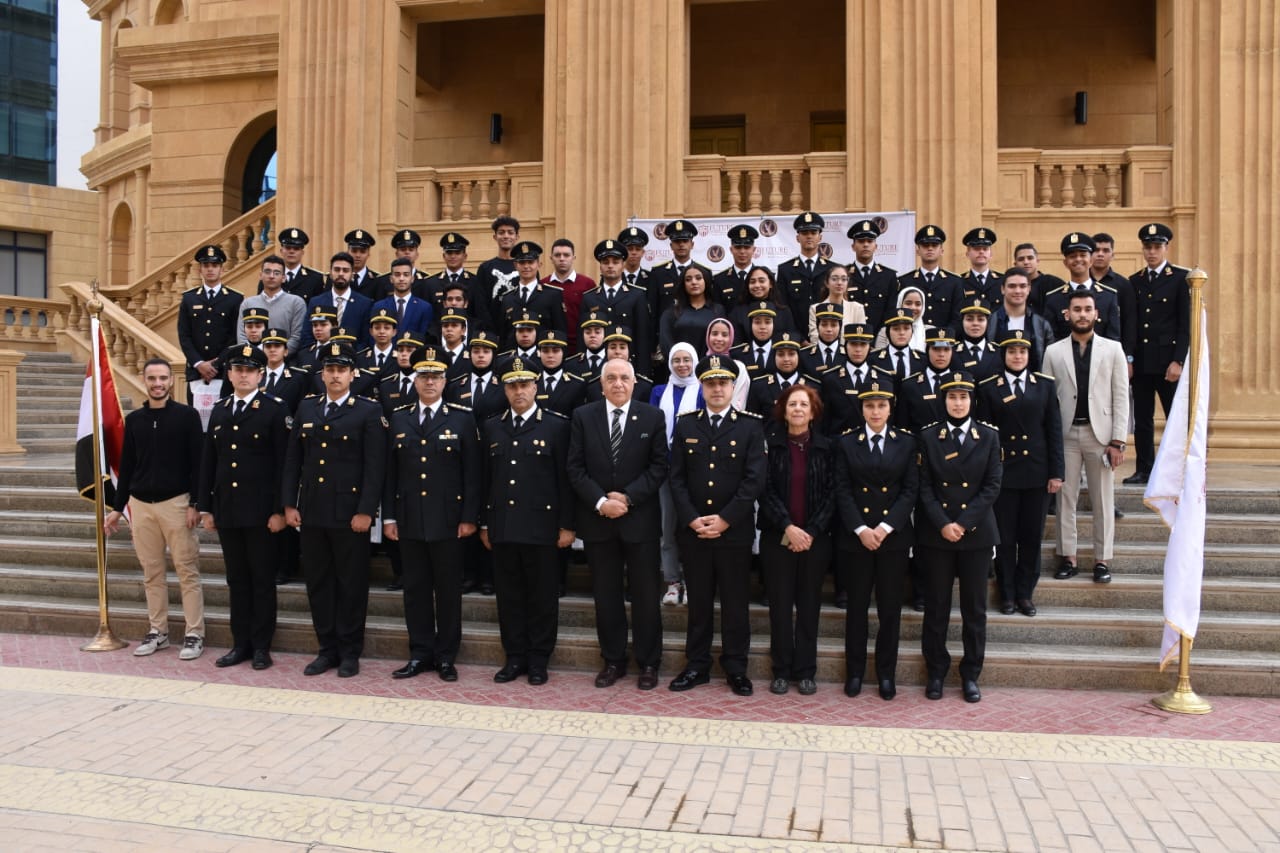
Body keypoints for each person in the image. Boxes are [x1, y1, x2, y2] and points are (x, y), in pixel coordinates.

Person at [282, 341, 388, 678]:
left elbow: (375, 468)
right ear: (322, 373)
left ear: (353, 374)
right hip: (312, 511)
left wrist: (366, 511)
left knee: (351, 584)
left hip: (349, 514)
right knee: (319, 583)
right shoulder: (307, 408)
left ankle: (349, 651)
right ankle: (326, 648)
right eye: (330, 369)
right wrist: (289, 503)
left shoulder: (368, 410)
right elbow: (293, 461)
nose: (335, 375)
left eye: (342, 369)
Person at [567, 359, 670, 690]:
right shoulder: (584, 417)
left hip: (639, 522)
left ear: (634, 382)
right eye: (610, 378)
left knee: (645, 596)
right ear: (601, 385)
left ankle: (649, 662)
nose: (618, 384)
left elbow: (659, 466)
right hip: (599, 522)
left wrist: (626, 498)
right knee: (606, 596)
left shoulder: (653, 416)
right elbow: (575, 468)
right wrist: (601, 503)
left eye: (624, 377)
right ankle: (613, 660)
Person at [668, 356, 767, 696]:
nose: (717, 388)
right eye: (710, 383)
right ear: (703, 387)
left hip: (733, 533)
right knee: (698, 603)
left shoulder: (751, 426)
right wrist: (693, 518)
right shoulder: (685, 424)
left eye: (723, 382)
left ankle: (736, 667)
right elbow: (676, 478)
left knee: (735, 604)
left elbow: (753, 481)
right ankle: (696, 665)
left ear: (732, 386)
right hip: (694, 531)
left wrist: (724, 520)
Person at [383, 347, 482, 681]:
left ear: (445, 381)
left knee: (448, 592)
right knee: (416, 590)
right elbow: (390, 474)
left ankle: (445, 656)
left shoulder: (462, 418)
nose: (429, 382)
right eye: (423, 376)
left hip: (449, 521)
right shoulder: (399, 417)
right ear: (415, 381)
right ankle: (420, 653)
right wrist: (389, 517)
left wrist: (470, 517)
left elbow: (473, 473)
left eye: (435, 377)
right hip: (410, 519)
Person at [102, 358, 206, 660]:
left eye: (162, 378)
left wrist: (196, 504)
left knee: (187, 571)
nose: (158, 383)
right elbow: (129, 467)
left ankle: (194, 633)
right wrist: (117, 508)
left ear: (170, 382)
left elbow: (198, 464)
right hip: (141, 506)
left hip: (177, 504)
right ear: (143, 380)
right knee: (152, 573)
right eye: (152, 378)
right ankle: (158, 631)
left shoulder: (188, 417)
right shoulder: (134, 421)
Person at [480, 357, 575, 685]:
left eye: (524, 384)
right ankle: (515, 657)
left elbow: (565, 480)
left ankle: (538, 659)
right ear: (505, 389)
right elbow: (485, 479)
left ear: (536, 386)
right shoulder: (492, 425)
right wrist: (484, 523)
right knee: (509, 597)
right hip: (504, 526)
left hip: (542, 529)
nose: (518, 391)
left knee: (542, 597)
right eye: (512, 385)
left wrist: (566, 525)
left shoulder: (557, 425)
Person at [198, 344, 291, 670]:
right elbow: (210, 461)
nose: (243, 375)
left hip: (262, 513)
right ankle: (241, 644)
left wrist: (280, 510)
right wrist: (206, 507)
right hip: (229, 510)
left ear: (260, 374)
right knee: (236, 580)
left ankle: (262, 646)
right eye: (238, 369)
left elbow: (284, 465)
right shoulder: (221, 409)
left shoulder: (275, 409)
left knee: (262, 580)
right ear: (230, 373)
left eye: (250, 370)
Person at [915, 370, 1002, 703]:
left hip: (975, 535)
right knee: (936, 608)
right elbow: (923, 486)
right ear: (944, 400)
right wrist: (943, 523)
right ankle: (935, 672)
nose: (957, 402)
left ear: (971, 400)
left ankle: (970, 675)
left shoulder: (989, 437)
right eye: (951, 397)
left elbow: (992, 485)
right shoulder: (928, 436)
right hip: (938, 535)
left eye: (963, 396)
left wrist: (963, 523)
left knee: (974, 610)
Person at [833, 380, 918, 700]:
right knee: (856, 610)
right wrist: (861, 529)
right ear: (862, 409)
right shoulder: (846, 443)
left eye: (881, 405)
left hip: (891, 540)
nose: (876, 411)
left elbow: (910, 490)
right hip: (856, 539)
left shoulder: (906, 443)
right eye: (870, 405)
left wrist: (883, 528)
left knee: (889, 611)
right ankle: (854, 672)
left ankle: (886, 674)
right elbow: (841, 489)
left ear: (890, 408)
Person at [1042, 290, 1130, 584]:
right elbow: (1047, 400)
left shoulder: (1113, 349)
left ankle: (1102, 559)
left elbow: (1121, 396)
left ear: (1097, 314)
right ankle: (1069, 557)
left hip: (1101, 436)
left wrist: (1118, 440)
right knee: (1066, 499)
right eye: (1077, 309)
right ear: (1068, 314)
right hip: (1065, 435)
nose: (1082, 314)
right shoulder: (1053, 352)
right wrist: (1049, 441)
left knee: (1103, 499)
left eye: (1087, 309)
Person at [977, 331, 1064, 616]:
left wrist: (1056, 473)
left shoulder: (1044, 385)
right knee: (1005, 538)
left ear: (1029, 355)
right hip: (1004, 474)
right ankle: (1007, 593)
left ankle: (1026, 593)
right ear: (1003, 355)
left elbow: (1053, 431)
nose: (1017, 356)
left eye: (1022, 351)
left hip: (1037, 473)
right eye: (1012, 351)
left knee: (1031, 537)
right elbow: (987, 436)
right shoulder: (990, 387)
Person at [757, 384, 834, 695]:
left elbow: (832, 494)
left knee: (808, 605)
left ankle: (805, 670)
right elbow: (765, 490)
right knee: (779, 605)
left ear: (813, 411)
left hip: (815, 540)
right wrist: (788, 526)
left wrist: (811, 531)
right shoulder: (770, 446)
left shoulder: (827, 447)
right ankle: (781, 669)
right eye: (793, 405)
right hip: (779, 538)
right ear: (784, 411)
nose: (798, 410)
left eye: (804, 405)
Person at [1125, 222, 1190, 486]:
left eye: (1156, 247)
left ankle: (1176, 470)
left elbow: (1185, 325)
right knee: (1142, 419)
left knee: (1175, 419)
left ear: (1165, 248)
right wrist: (1128, 358)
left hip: (1167, 363)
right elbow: (1131, 324)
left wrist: (1178, 360)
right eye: (1147, 247)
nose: (1152, 252)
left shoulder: (1180, 279)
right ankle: (1145, 468)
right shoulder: (1135, 281)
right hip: (1141, 363)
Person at [649, 343, 702, 605]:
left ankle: (693, 581)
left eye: (687, 360)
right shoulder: (659, 391)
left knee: (692, 528)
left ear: (694, 362)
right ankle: (671, 582)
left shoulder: (703, 390)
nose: (682, 365)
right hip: (666, 470)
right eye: (677, 360)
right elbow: (653, 428)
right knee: (667, 529)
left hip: (695, 471)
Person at [177, 245, 244, 405]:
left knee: (222, 418)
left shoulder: (235, 299)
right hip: (196, 371)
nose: (210, 269)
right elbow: (184, 335)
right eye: (206, 265)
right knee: (195, 421)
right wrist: (199, 364)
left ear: (222, 269)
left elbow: (235, 336)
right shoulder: (189, 299)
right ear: (200, 269)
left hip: (222, 371)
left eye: (214, 265)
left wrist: (216, 364)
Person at [579, 239, 650, 365]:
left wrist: (642, 371)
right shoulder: (589, 297)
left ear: (623, 265)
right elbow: (583, 336)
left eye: (615, 262)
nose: (610, 266)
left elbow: (643, 337)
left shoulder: (637, 295)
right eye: (605, 262)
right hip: (596, 364)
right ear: (600, 267)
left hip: (628, 363)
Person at [1042, 233, 1122, 343]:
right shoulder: (1054, 299)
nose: (1078, 259)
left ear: (1091, 260)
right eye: (1072, 256)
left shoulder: (1108, 296)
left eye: (1083, 255)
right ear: (1065, 263)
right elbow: (1050, 339)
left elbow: (1113, 338)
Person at [497, 241, 566, 350]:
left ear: (539, 264)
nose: (526, 266)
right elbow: (503, 335)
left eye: (530, 262)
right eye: (522, 263)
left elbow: (560, 331)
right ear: (515, 265)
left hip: (543, 358)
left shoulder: (552, 295)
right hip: (513, 359)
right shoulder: (507, 298)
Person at [987, 268, 1055, 372]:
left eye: (1022, 286)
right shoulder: (989, 322)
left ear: (1029, 289)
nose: (1017, 291)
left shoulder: (1041, 325)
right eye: (1012, 286)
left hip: (1033, 385)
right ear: (1002, 289)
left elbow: (1048, 361)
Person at [303, 252, 375, 350]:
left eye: (345, 270)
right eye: (337, 270)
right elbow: (307, 335)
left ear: (352, 274)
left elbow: (366, 339)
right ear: (330, 273)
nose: (341, 273)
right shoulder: (316, 302)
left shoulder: (364, 304)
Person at [897, 225, 963, 330]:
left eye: (935, 245)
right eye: (925, 245)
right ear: (918, 250)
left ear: (942, 250)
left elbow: (957, 317)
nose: (930, 248)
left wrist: (943, 337)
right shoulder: (904, 281)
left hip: (944, 342)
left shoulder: (954, 282)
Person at [238, 254, 306, 355]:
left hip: (285, 362)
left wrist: (275, 354)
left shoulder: (296, 303)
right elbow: (242, 336)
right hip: (252, 362)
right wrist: (256, 355)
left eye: (276, 273)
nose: (271, 276)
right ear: (260, 275)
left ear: (283, 278)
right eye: (267, 271)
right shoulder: (248, 303)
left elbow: (296, 337)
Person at [776, 211, 834, 322]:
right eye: (804, 233)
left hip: (826, 333)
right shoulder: (785, 270)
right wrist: (798, 337)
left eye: (813, 232)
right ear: (798, 237)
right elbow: (782, 307)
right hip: (795, 336)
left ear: (820, 237)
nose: (809, 236)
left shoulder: (832, 269)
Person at [542, 238, 596, 354]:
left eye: (566, 255)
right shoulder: (543, 285)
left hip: (580, 346)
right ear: (551, 258)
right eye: (557, 255)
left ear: (573, 258)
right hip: (551, 347)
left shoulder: (587, 284)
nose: (562, 259)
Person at [659, 263, 725, 357]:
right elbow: (666, 343)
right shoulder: (671, 313)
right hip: (681, 367)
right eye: (688, 279)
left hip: (709, 366)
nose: (694, 282)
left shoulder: (718, 310)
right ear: (683, 284)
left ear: (706, 281)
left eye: (698, 278)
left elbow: (723, 341)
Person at [846, 219, 898, 333]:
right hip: (850, 339)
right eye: (861, 241)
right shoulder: (844, 274)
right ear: (853, 246)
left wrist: (879, 339)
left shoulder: (889, 276)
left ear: (875, 246)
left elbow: (891, 311)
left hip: (880, 339)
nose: (865, 244)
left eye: (870, 241)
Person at [373, 257, 435, 346]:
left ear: (412, 278)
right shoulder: (379, 306)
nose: (401, 278)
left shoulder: (424, 307)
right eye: (397, 275)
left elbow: (424, 337)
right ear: (391, 279)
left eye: (406, 274)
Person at [728, 266, 796, 342]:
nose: (757, 285)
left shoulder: (784, 311)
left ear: (771, 284)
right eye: (752, 282)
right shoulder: (738, 312)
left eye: (762, 281)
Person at [808, 264, 868, 344]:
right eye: (834, 279)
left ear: (847, 283)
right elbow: (814, 338)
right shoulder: (815, 308)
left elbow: (860, 339)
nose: (839, 283)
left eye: (843, 279)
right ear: (827, 283)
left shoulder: (857, 308)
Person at [703, 317, 750, 409]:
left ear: (731, 338)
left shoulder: (738, 368)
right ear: (708, 336)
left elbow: (739, 402)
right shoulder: (701, 366)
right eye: (715, 334)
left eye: (724, 335)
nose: (719, 338)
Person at [870, 307, 927, 381]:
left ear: (912, 331)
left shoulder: (923, 360)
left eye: (906, 328)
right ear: (888, 332)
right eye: (896, 329)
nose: (902, 333)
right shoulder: (873, 359)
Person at [711, 224, 760, 306]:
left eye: (746, 247)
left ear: (754, 249)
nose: (742, 251)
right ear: (731, 249)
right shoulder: (719, 280)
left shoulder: (763, 278)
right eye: (738, 247)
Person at [958, 227, 1003, 310]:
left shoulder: (1003, 280)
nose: (981, 252)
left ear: (991, 254)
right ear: (967, 253)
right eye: (976, 249)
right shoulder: (959, 282)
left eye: (985, 249)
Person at [277, 228, 327, 302]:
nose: (291, 251)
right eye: (288, 248)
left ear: (302, 252)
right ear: (281, 251)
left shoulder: (315, 278)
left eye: (296, 248)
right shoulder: (271, 276)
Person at [344, 228, 380, 298]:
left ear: (368, 254)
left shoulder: (377, 280)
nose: (358, 255)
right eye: (354, 251)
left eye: (362, 252)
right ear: (347, 252)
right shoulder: (337, 277)